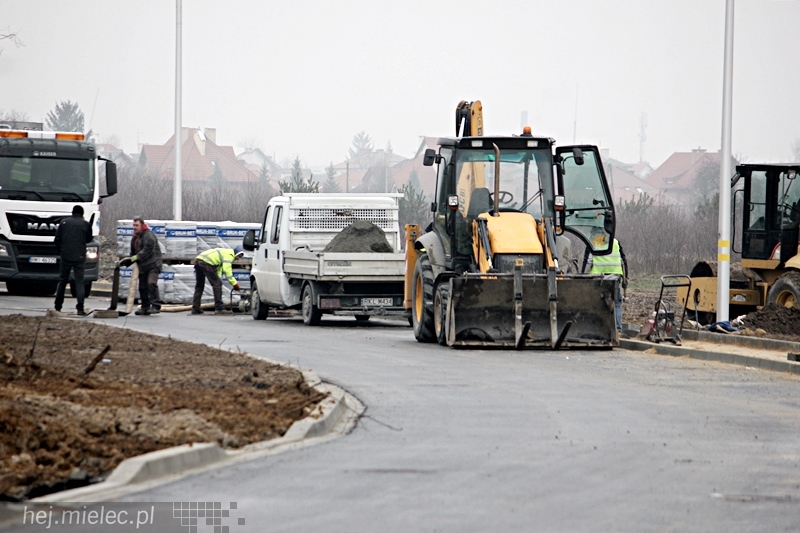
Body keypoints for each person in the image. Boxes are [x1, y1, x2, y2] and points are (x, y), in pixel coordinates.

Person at [583, 232, 628, 333]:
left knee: (595, 304)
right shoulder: (615, 242)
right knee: (616, 304)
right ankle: (618, 330)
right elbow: (623, 262)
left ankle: (596, 329)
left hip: (598, 279)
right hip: (614, 278)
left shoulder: (593, 242)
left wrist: (583, 276)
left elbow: (588, 261)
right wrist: (625, 279)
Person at [53, 205, 92, 315]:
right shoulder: (85, 224)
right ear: (82, 214)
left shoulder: (64, 222)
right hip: (79, 256)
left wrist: (60, 252)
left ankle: (58, 306)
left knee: (62, 281)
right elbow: (88, 239)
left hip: (65, 256)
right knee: (79, 282)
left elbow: (57, 239)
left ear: (72, 212)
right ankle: (80, 308)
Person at [121, 217, 162, 316]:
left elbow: (147, 250)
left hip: (153, 264)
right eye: (133, 225)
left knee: (151, 283)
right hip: (143, 266)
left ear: (142, 225)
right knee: (142, 287)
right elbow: (132, 253)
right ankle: (145, 307)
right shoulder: (135, 237)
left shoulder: (149, 236)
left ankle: (156, 306)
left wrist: (136, 257)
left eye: (136, 225)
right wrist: (127, 262)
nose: (134, 227)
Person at [192, 246, 243, 315]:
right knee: (217, 285)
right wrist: (235, 284)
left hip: (198, 261)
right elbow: (227, 271)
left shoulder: (225, 252)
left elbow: (218, 269)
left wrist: (218, 279)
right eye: (239, 256)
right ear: (236, 253)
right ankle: (219, 308)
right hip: (206, 263)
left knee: (199, 286)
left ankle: (195, 308)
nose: (238, 258)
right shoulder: (229, 255)